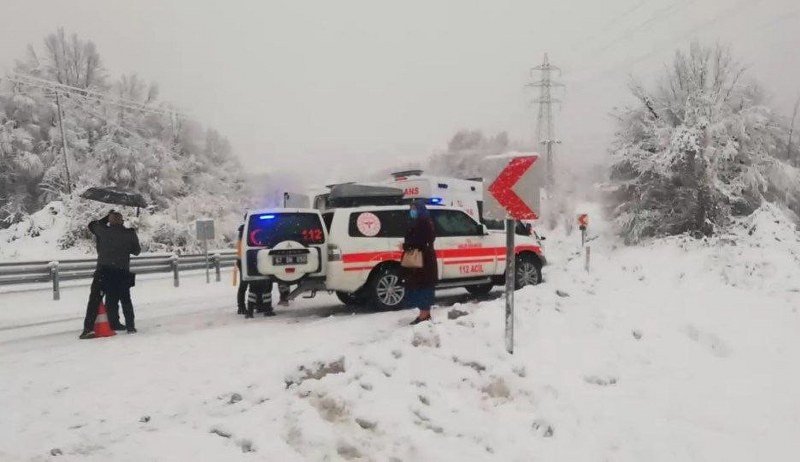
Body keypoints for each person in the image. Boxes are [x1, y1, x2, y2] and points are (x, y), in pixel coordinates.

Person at [80, 210, 141, 339]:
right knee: (123, 299)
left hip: (104, 271)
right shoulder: (129, 233)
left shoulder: (102, 231)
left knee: (95, 300)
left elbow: (91, 225)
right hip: (122, 271)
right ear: (122, 221)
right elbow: (136, 251)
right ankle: (128, 326)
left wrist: (105, 218)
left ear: (110, 221)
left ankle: (88, 329)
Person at [402, 200, 438, 325]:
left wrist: (406, 245)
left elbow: (420, 241)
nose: (412, 211)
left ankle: (424, 315)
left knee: (423, 287)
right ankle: (425, 314)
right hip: (423, 261)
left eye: (414, 209)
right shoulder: (424, 221)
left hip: (423, 261)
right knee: (421, 286)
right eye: (411, 208)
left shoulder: (423, 223)